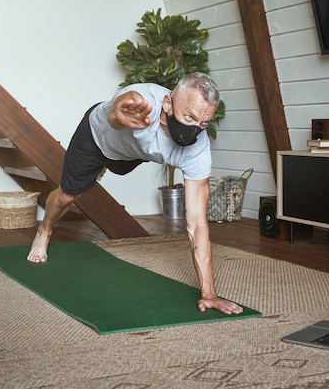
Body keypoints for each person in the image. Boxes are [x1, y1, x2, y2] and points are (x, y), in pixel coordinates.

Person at [27, 72, 243, 315]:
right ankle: (44, 231)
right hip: (96, 139)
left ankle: (107, 165)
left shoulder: (197, 148)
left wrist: (209, 294)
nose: (194, 130)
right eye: (190, 117)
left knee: (129, 157)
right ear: (167, 103)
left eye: (203, 123)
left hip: (130, 155)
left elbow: (197, 224)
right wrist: (118, 115)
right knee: (69, 195)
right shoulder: (143, 101)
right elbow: (118, 109)